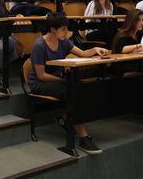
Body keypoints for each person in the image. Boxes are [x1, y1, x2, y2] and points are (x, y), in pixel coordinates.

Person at [29, 13, 107, 155]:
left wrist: (95, 50)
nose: (67, 32)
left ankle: (68, 118)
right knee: (71, 91)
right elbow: (41, 75)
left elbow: (82, 54)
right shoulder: (39, 46)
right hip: (41, 83)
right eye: (63, 29)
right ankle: (83, 136)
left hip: (58, 80)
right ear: (53, 29)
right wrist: (63, 80)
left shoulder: (63, 41)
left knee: (80, 88)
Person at [111, 9, 143, 128]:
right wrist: (139, 46)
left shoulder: (140, 35)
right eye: (138, 20)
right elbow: (120, 49)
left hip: (140, 68)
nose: (141, 23)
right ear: (131, 21)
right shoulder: (122, 35)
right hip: (126, 70)